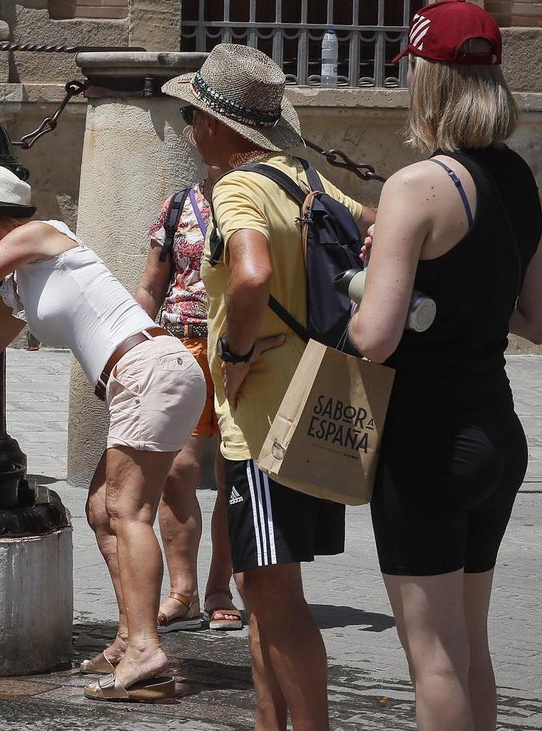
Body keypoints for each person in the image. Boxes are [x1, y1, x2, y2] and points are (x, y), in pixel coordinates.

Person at [0, 164, 207, 702]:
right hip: (144, 376)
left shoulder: (43, 233)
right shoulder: (23, 283)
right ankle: (127, 642)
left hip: (149, 370)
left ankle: (146, 649)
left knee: (126, 511)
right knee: (102, 509)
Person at [349, 3, 542, 728]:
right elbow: (537, 322)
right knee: (471, 648)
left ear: (428, 81)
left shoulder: (416, 187)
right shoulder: (521, 180)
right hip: (498, 433)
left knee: (432, 653)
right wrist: (462, 296)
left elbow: (373, 337)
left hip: (424, 443)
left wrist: (362, 290)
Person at [162, 44, 376, 730]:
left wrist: (236, 351)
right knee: (263, 587)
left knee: (278, 597)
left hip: (263, 419)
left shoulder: (237, 187)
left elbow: (250, 274)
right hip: (318, 398)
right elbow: (375, 229)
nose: (192, 130)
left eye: (196, 116)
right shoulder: (307, 177)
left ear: (221, 126)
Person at [132, 171, 242, 641]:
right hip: (183, 346)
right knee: (176, 471)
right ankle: (183, 592)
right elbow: (152, 286)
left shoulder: (266, 199)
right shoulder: (179, 204)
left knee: (233, 474)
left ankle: (220, 590)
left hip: (244, 346)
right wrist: (134, 347)